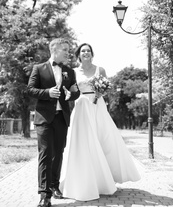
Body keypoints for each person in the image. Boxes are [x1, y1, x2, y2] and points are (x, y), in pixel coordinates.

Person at [59, 43, 141, 201]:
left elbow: (107, 87)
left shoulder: (100, 70)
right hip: (82, 106)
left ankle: (104, 179)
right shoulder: (73, 72)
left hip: (98, 106)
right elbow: (69, 90)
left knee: (103, 140)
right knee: (84, 143)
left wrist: (99, 92)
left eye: (88, 51)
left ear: (92, 54)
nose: (86, 53)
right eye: (83, 51)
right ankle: (84, 180)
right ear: (79, 54)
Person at [27, 38, 80, 207]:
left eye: (67, 49)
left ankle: (54, 185)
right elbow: (30, 90)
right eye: (64, 49)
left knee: (58, 153)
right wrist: (47, 92)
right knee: (45, 154)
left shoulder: (70, 71)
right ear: (54, 50)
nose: (67, 52)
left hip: (61, 117)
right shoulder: (39, 68)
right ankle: (44, 194)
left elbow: (75, 91)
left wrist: (72, 94)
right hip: (44, 119)